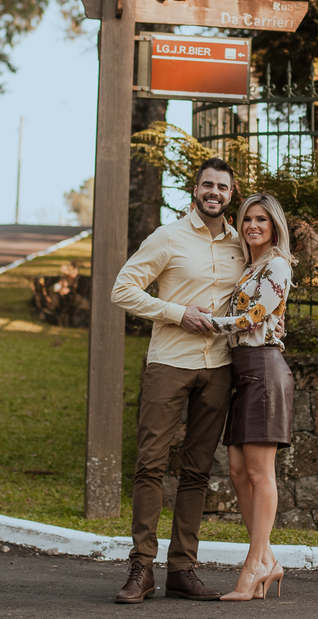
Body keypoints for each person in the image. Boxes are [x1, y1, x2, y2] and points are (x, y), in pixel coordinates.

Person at [109, 157, 244, 604]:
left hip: (219, 367)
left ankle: (183, 570)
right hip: (169, 362)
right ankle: (141, 569)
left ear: (231, 194)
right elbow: (122, 288)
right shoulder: (168, 237)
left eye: (222, 188)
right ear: (195, 189)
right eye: (208, 185)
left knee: (197, 472)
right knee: (149, 465)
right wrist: (177, 313)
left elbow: (258, 295)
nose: (214, 193)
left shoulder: (240, 244)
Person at [204, 193, 295, 601]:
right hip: (244, 370)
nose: (252, 225)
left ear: (274, 225)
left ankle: (253, 566)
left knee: (261, 473)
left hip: (263, 368)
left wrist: (207, 322)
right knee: (239, 470)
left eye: (261, 219)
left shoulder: (277, 264)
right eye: (246, 220)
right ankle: (269, 560)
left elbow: (252, 318)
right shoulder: (251, 266)